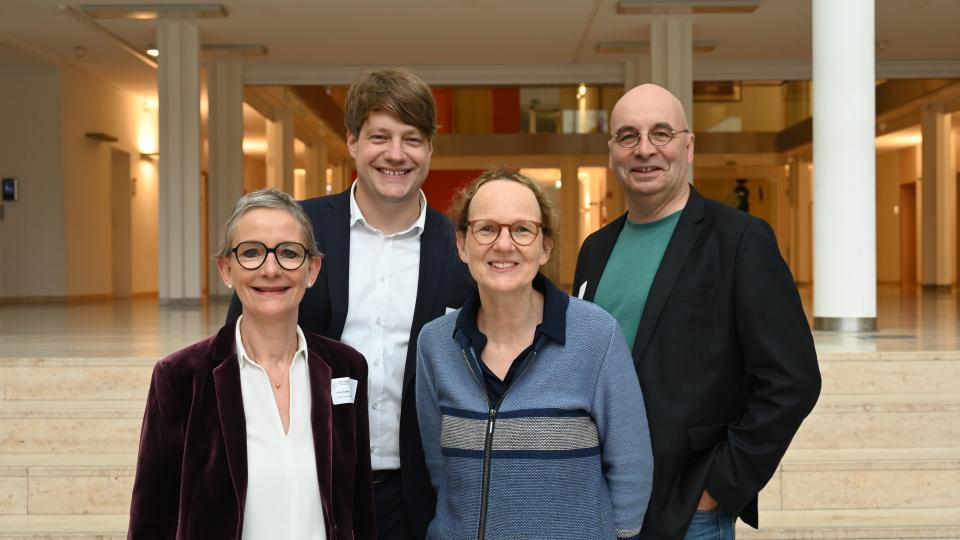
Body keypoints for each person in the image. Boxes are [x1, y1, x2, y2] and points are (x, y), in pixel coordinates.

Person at [226, 69, 473, 540]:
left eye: (412, 139)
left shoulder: (461, 250)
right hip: (304, 481)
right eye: (380, 136)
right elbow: (237, 347)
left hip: (412, 494)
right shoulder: (297, 231)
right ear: (352, 141)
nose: (396, 154)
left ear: (429, 148)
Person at [573, 84, 821, 539]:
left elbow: (793, 379)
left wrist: (719, 486)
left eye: (661, 133)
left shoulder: (739, 239)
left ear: (688, 146)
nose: (644, 149)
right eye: (628, 136)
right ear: (612, 153)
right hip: (600, 501)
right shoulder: (595, 249)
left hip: (688, 510)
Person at [417, 169, 653, 539]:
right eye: (486, 229)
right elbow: (441, 470)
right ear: (462, 244)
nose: (504, 244)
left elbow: (631, 464)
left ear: (545, 246)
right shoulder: (435, 343)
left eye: (522, 229)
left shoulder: (596, 335)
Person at [129, 188, 375, 539]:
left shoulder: (346, 368)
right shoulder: (181, 377)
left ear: (312, 269)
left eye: (289, 253)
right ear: (226, 269)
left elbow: (360, 510)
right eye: (251, 253)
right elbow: (152, 517)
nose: (270, 269)